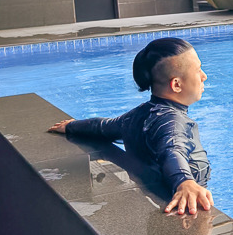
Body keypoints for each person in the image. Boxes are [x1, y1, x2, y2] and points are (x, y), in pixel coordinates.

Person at [48, 37, 214, 216]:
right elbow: (172, 148)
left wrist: (73, 126)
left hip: (150, 199)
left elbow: (103, 127)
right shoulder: (173, 121)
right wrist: (184, 182)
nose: (204, 76)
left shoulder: (138, 114)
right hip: (178, 208)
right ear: (176, 84)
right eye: (198, 70)